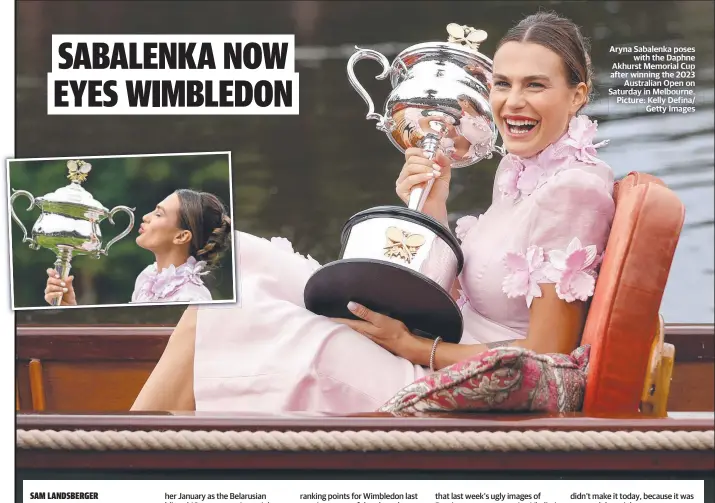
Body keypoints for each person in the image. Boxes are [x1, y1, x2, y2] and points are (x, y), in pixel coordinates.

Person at [131, 12, 615, 413]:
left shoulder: (571, 191)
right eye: (503, 84)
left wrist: (411, 346)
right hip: (441, 337)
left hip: (451, 377)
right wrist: (436, 201)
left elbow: (548, 353)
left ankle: (126, 449)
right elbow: (470, 287)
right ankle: (148, 439)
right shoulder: (524, 168)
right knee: (236, 264)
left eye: (535, 85)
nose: (513, 102)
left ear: (578, 94)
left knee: (223, 316)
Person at [44, 189, 232, 305]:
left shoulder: (193, 298)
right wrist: (70, 308)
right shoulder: (146, 278)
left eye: (159, 214)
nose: (146, 216)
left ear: (181, 236)